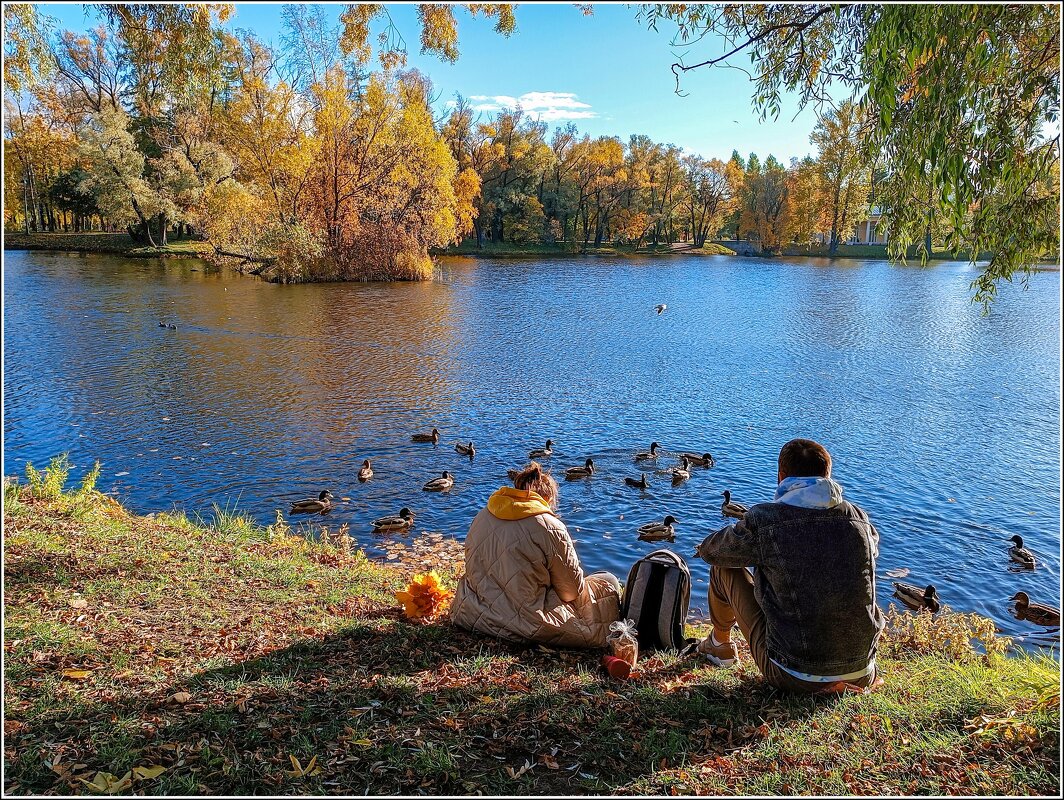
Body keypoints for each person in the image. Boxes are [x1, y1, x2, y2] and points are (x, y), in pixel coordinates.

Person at [693, 438, 883, 692]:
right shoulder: (860, 519)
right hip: (861, 671)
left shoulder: (766, 519)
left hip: (795, 674)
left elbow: (711, 551)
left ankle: (720, 644)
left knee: (724, 566)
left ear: (781, 476)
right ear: (828, 475)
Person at [451, 461, 621, 648]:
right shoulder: (550, 527)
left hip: (472, 611)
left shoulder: (484, 514)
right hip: (527, 622)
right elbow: (571, 591)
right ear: (546, 498)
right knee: (609, 580)